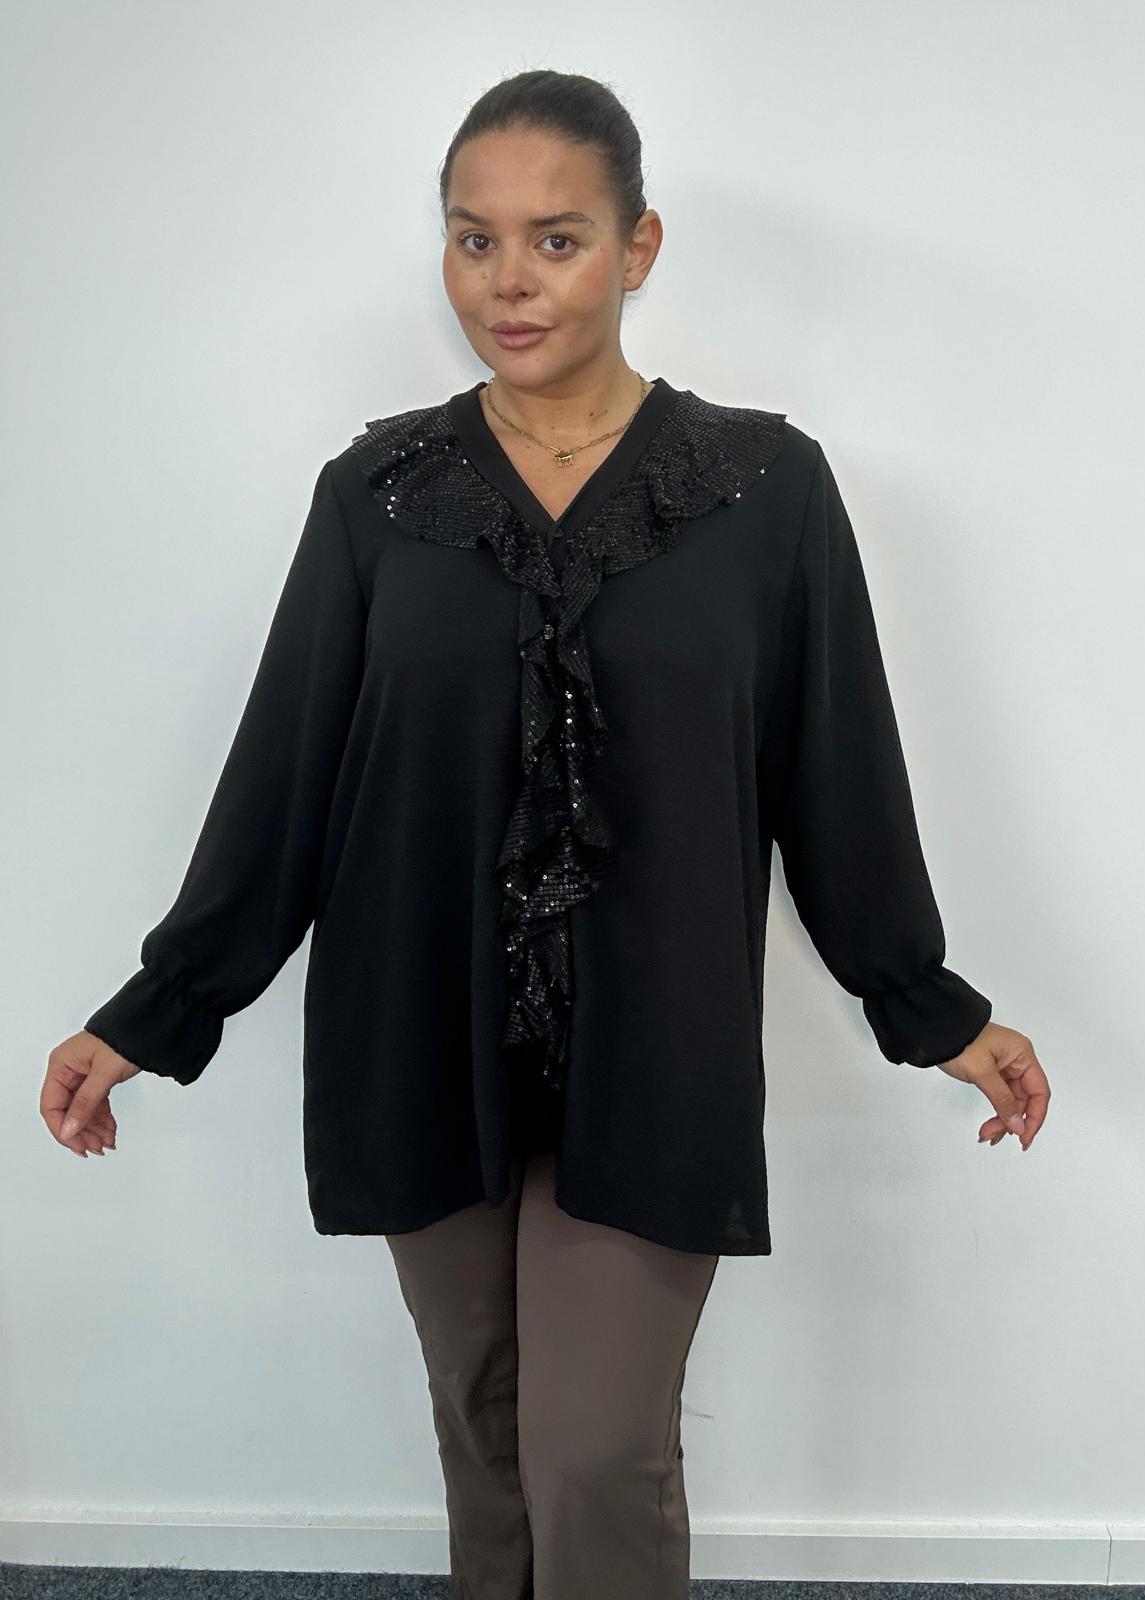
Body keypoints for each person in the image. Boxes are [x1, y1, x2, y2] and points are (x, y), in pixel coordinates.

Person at [41, 67, 1049, 1600]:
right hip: (416, 1031)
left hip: (659, 1047)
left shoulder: (766, 491)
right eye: (474, 239)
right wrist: (155, 1012)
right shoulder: (377, 495)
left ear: (639, 247)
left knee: (597, 1451)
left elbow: (836, 772)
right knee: (490, 1433)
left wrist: (930, 1004)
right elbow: (287, 780)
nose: (508, 281)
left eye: (555, 239)